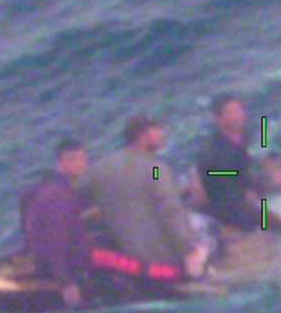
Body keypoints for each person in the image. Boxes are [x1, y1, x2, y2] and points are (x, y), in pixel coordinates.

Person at [82, 116, 208, 278]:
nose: (162, 134)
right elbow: (169, 208)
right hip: (160, 261)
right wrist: (188, 249)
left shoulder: (102, 168)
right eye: (156, 130)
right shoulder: (155, 169)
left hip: (126, 259)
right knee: (207, 229)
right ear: (142, 136)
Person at [19, 137, 91, 307]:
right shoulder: (155, 170)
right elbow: (55, 237)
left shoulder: (40, 187)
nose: (82, 164)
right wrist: (65, 282)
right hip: (59, 267)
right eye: (76, 159)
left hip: (39, 260)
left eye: (83, 159)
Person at [187, 94, 269, 231]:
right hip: (225, 203)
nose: (237, 116)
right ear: (218, 119)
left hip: (240, 186)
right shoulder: (215, 153)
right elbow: (224, 193)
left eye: (239, 110)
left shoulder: (245, 134)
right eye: (230, 113)